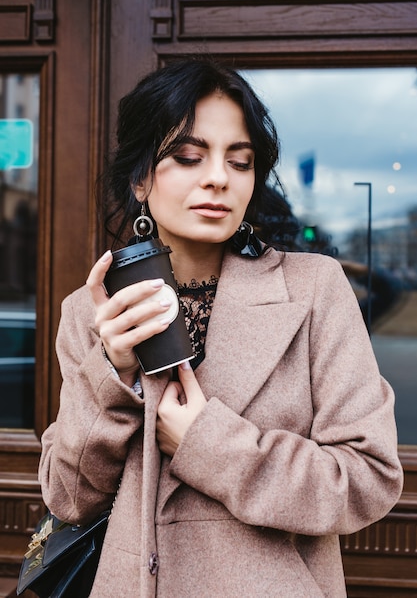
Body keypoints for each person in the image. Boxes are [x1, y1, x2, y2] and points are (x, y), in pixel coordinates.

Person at [38, 59, 403, 598]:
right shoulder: (89, 312)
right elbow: (69, 500)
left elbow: (368, 478)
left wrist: (213, 446)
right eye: (188, 157)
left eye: (240, 162)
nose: (218, 177)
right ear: (141, 179)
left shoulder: (314, 291)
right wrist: (110, 372)